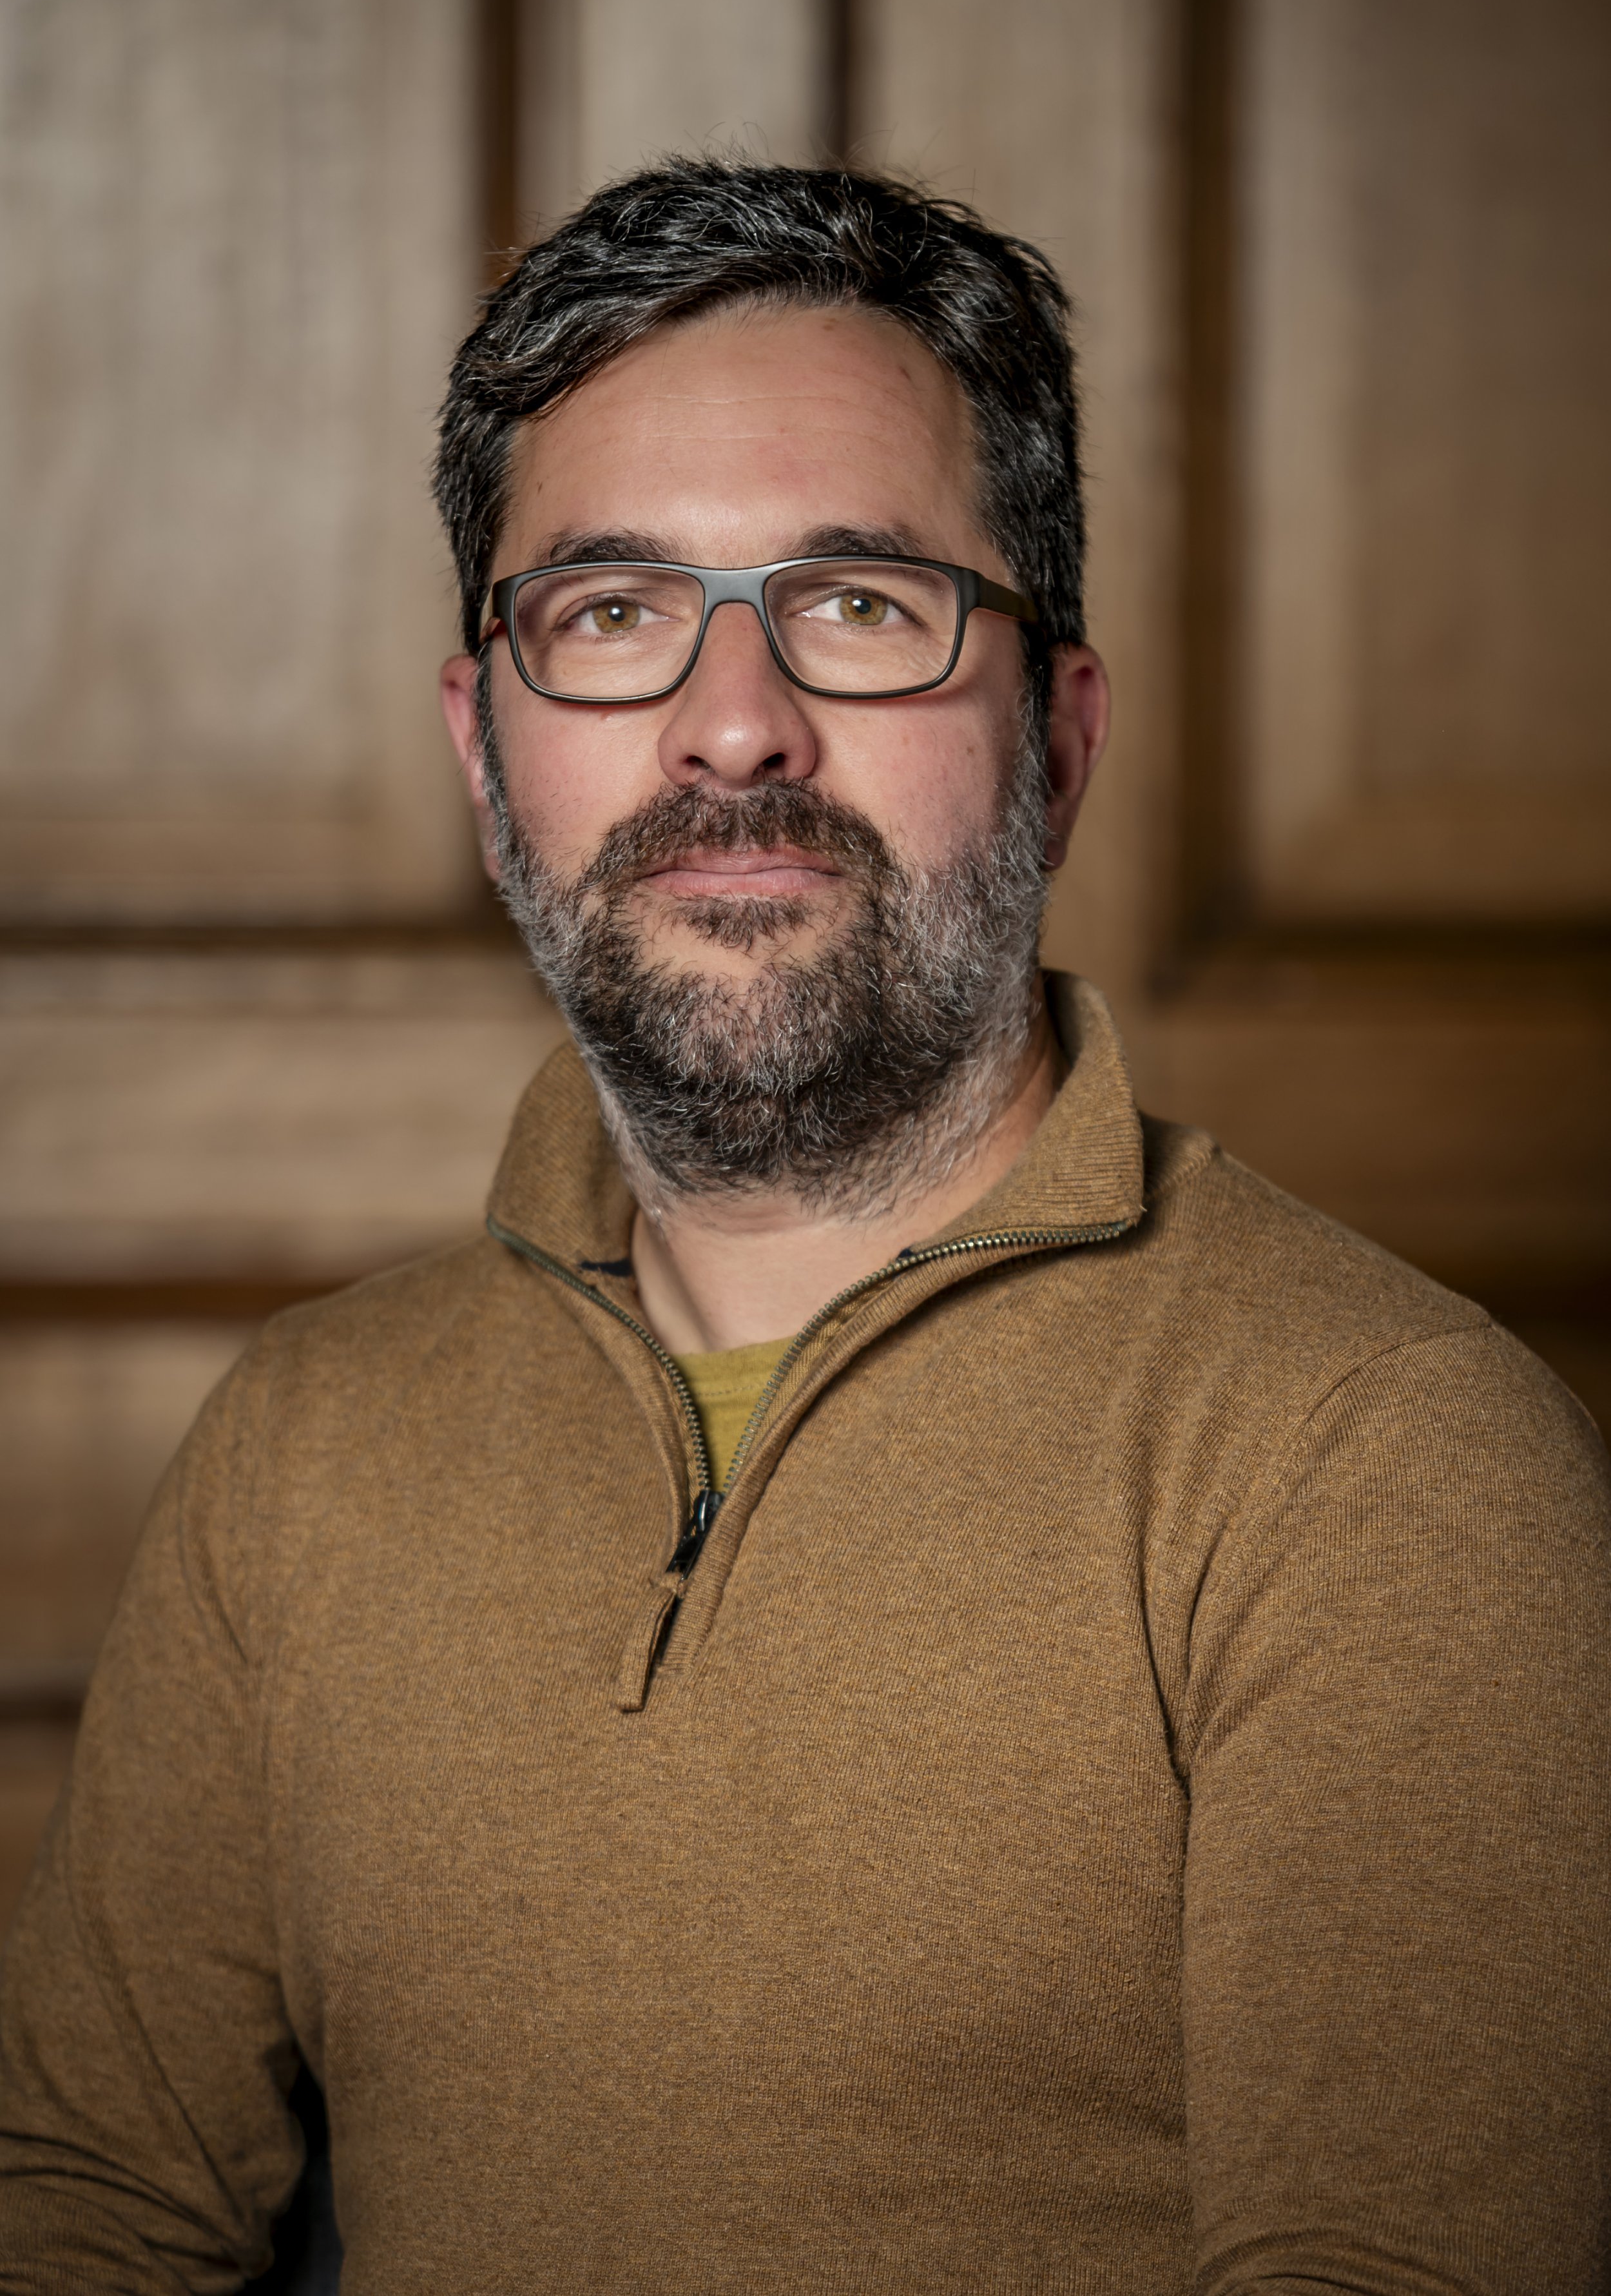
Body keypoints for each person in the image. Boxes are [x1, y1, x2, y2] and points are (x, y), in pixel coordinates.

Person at [1, 159, 1608, 2294]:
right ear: (487, 757)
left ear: (1056, 731)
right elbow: (88, 2213)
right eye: (609, 612)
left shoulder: (1377, 1461)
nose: (731, 725)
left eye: (859, 602)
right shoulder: (303, 1442)